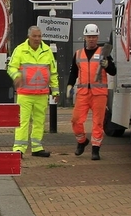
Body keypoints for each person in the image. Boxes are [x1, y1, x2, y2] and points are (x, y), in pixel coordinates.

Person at [7, 26, 59, 157]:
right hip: (24, 94)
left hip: (41, 93)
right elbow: (11, 68)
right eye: (34, 36)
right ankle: (19, 148)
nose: (37, 39)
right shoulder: (20, 50)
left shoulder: (47, 50)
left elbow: (53, 72)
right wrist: (16, 76)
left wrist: (56, 91)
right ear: (29, 37)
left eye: (39, 36)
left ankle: (37, 147)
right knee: (22, 121)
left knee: (39, 121)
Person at [67, 23, 117, 160]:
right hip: (83, 93)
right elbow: (73, 72)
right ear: (85, 37)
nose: (91, 39)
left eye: (94, 36)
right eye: (89, 36)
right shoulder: (78, 54)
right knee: (76, 120)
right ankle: (82, 141)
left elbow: (113, 71)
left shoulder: (104, 53)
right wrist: (69, 85)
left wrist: (107, 65)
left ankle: (96, 149)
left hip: (99, 94)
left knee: (98, 122)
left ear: (97, 37)